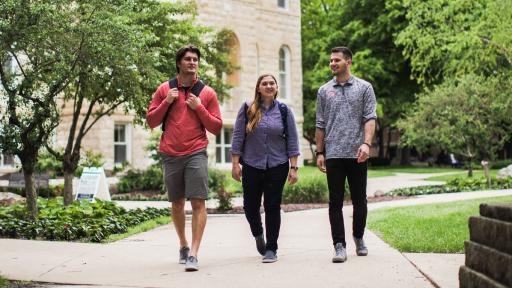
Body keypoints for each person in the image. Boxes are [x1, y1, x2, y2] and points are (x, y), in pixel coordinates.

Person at [146, 44, 222, 271]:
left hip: (196, 152)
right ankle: (183, 245)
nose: (192, 62)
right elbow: (151, 121)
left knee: (198, 201)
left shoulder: (206, 93)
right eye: (188, 59)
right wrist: (166, 101)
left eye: (195, 59)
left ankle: (195, 254)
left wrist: (199, 108)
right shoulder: (165, 89)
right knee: (177, 203)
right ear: (179, 63)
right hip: (170, 153)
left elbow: (216, 127)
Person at [315, 47, 377, 263]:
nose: (333, 63)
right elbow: (320, 124)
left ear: (348, 62)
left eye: (337, 60)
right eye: (331, 60)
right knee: (335, 202)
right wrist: (320, 151)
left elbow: (370, 118)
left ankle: (359, 237)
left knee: (360, 199)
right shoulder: (324, 91)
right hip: (333, 154)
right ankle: (339, 245)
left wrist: (366, 144)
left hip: (357, 153)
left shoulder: (364, 88)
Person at [230, 74, 300, 263]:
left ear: (277, 88)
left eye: (272, 83)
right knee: (250, 206)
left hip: (278, 165)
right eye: (264, 83)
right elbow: (238, 137)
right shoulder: (247, 109)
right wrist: (235, 164)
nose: (269, 86)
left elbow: (293, 141)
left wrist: (294, 168)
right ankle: (258, 233)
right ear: (258, 88)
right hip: (252, 164)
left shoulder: (285, 111)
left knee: (272, 206)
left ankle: (271, 248)